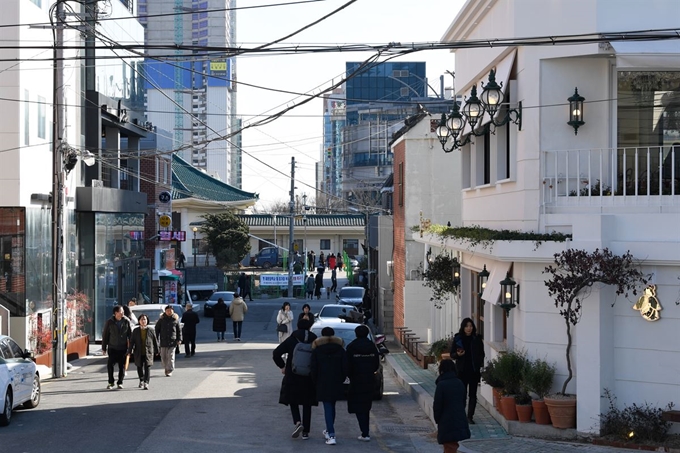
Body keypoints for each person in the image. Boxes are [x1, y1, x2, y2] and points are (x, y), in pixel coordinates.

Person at [273, 318, 318, 440]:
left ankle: (298, 422)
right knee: (307, 404)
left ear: (297, 327)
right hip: (309, 377)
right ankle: (306, 432)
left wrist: (282, 366)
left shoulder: (292, 339)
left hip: (293, 375)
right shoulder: (315, 340)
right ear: (309, 327)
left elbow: (276, 353)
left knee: (293, 400)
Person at [311, 326, 347, 446]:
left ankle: (331, 434)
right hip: (336, 381)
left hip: (323, 381)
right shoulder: (340, 349)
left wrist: (315, 381)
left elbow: (314, 368)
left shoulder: (317, 349)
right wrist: (341, 378)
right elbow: (344, 367)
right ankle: (329, 429)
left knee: (327, 407)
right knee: (332, 405)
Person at [346, 324, 380, 442]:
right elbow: (376, 364)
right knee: (366, 406)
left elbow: (347, 365)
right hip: (369, 379)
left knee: (358, 405)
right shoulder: (372, 347)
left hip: (356, 380)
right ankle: (366, 432)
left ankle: (364, 432)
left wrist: (350, 375)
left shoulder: (351, 347)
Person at [450, 317, 485, 424]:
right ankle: (461, 414)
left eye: (470, 326)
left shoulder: (477, 339)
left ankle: (470, 416)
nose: (469, 328)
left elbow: (482, 354)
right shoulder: (458, 339)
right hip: (462, 371)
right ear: (463, 327)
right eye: (467, 326)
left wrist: (479, 364)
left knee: (473, 395)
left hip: (474, 371)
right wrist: (457, 355)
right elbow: (452, 354)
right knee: (462, 394)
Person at [433, 359, 471, 453]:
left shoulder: (441, 385)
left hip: (446, 421)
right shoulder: (459, 383)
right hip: (458, 418)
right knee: (452, 445)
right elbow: (463, 401)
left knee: (449, 447)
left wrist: (438, 419)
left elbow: (437, 405)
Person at [102, 305, 133, 389]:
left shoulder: (126, 321)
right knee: (110, 365)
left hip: (123, 348)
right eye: (121, 311)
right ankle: (111, 382)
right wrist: (104, 347)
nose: (122, 313)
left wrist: (131, 347)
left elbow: (130, 335)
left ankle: (120, 382)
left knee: (122, 366)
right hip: (112, 347)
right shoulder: (109, 322)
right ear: (116, 313)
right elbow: (105, 335)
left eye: (123, 311)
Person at [127, 314, 159, 390]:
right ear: (139, 321)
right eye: (142, 319)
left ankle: (146, 382)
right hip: (138, 351)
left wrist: (157, 350)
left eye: (145, 319)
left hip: (148, 351)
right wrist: (129, 350)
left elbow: (155, 341)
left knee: (147, 367)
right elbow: (132, 342)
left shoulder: (151, 330)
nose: (143, 321)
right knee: (139, 366)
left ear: (147, 321)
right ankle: (141, 379)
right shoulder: (135, 330)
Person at [155, 305, 182, 377]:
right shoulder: (161, 320)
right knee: (163, 357)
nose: (169, 312)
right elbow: (156, 330)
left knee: (170, 356)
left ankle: (169, 370)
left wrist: (179, 339)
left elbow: (179, 330)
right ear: (165, 311)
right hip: (163, 341)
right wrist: (156, 340)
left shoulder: (175, 319)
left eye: (171, 310)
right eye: (168, 310)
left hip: (172, 341)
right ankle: (166, 368)